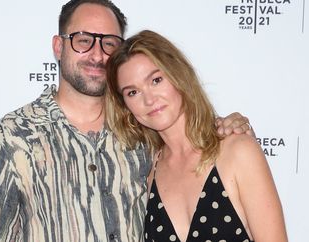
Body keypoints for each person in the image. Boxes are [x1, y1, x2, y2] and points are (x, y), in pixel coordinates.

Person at [0, 1, 253, 242]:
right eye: (83, 40)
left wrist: (228, 125)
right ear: (58, 46)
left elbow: (191, 140)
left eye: (109, 43)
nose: (97, 54)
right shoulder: (14, 136)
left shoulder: (144, 130)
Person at [105, 30, 287, 242]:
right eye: (132, 92)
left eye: (156, 80)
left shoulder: (238, 151)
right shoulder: (148, 171)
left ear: (178, 76)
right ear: (125, 106)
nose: (149, 99)